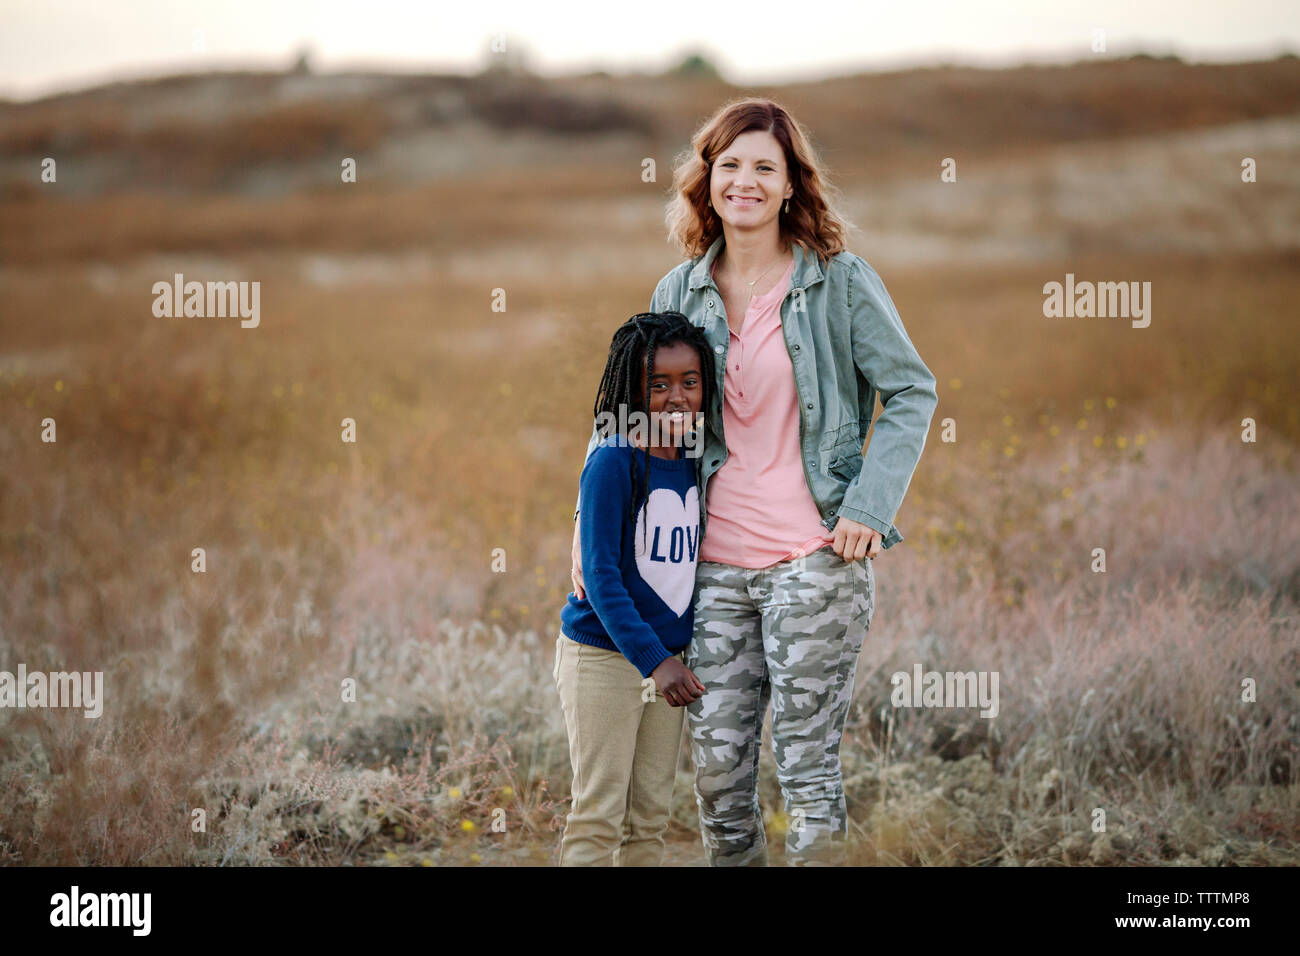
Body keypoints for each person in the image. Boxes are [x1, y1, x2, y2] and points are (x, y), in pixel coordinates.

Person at [570, 98, 938, 865]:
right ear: (706, 182)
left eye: (764, 167)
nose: (745, 181)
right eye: (729, 165)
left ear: (791, 185)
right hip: (707, 574)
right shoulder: (677, 290)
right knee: (718, 781)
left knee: (807, 772)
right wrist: (585, 525)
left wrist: (870, 507)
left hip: (814, 563)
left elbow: (911, 392)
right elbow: (629, 416)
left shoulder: (839, 282)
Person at [554, 311, 713, 865]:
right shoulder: (614, 461)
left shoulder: (696, 458)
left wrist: (667, 660)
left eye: (689, 382)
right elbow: (600, 577)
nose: (676, 398)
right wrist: (655, 662)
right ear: (631, 388)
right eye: (658, 385)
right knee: (599, 815)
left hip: (665, 663)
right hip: (604, 657)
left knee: (649, 819)